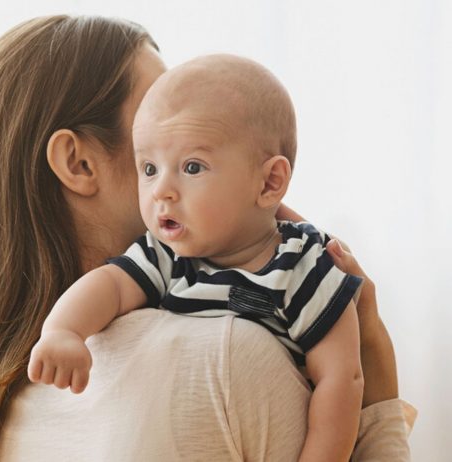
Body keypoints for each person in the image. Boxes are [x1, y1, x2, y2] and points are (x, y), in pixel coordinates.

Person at [0, 15, 415, 462]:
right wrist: (378, 387)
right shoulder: (224, 356)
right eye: (149, 153)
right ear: (79, 163)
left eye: (194, 159)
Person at [28, 54, 364, 462]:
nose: (161, 191)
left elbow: (340, 380)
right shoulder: (169, 255)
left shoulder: (304, 263)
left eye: (191, 166)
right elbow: (110, 286)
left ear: (270, 181)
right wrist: (63, 331)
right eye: (149, 168)